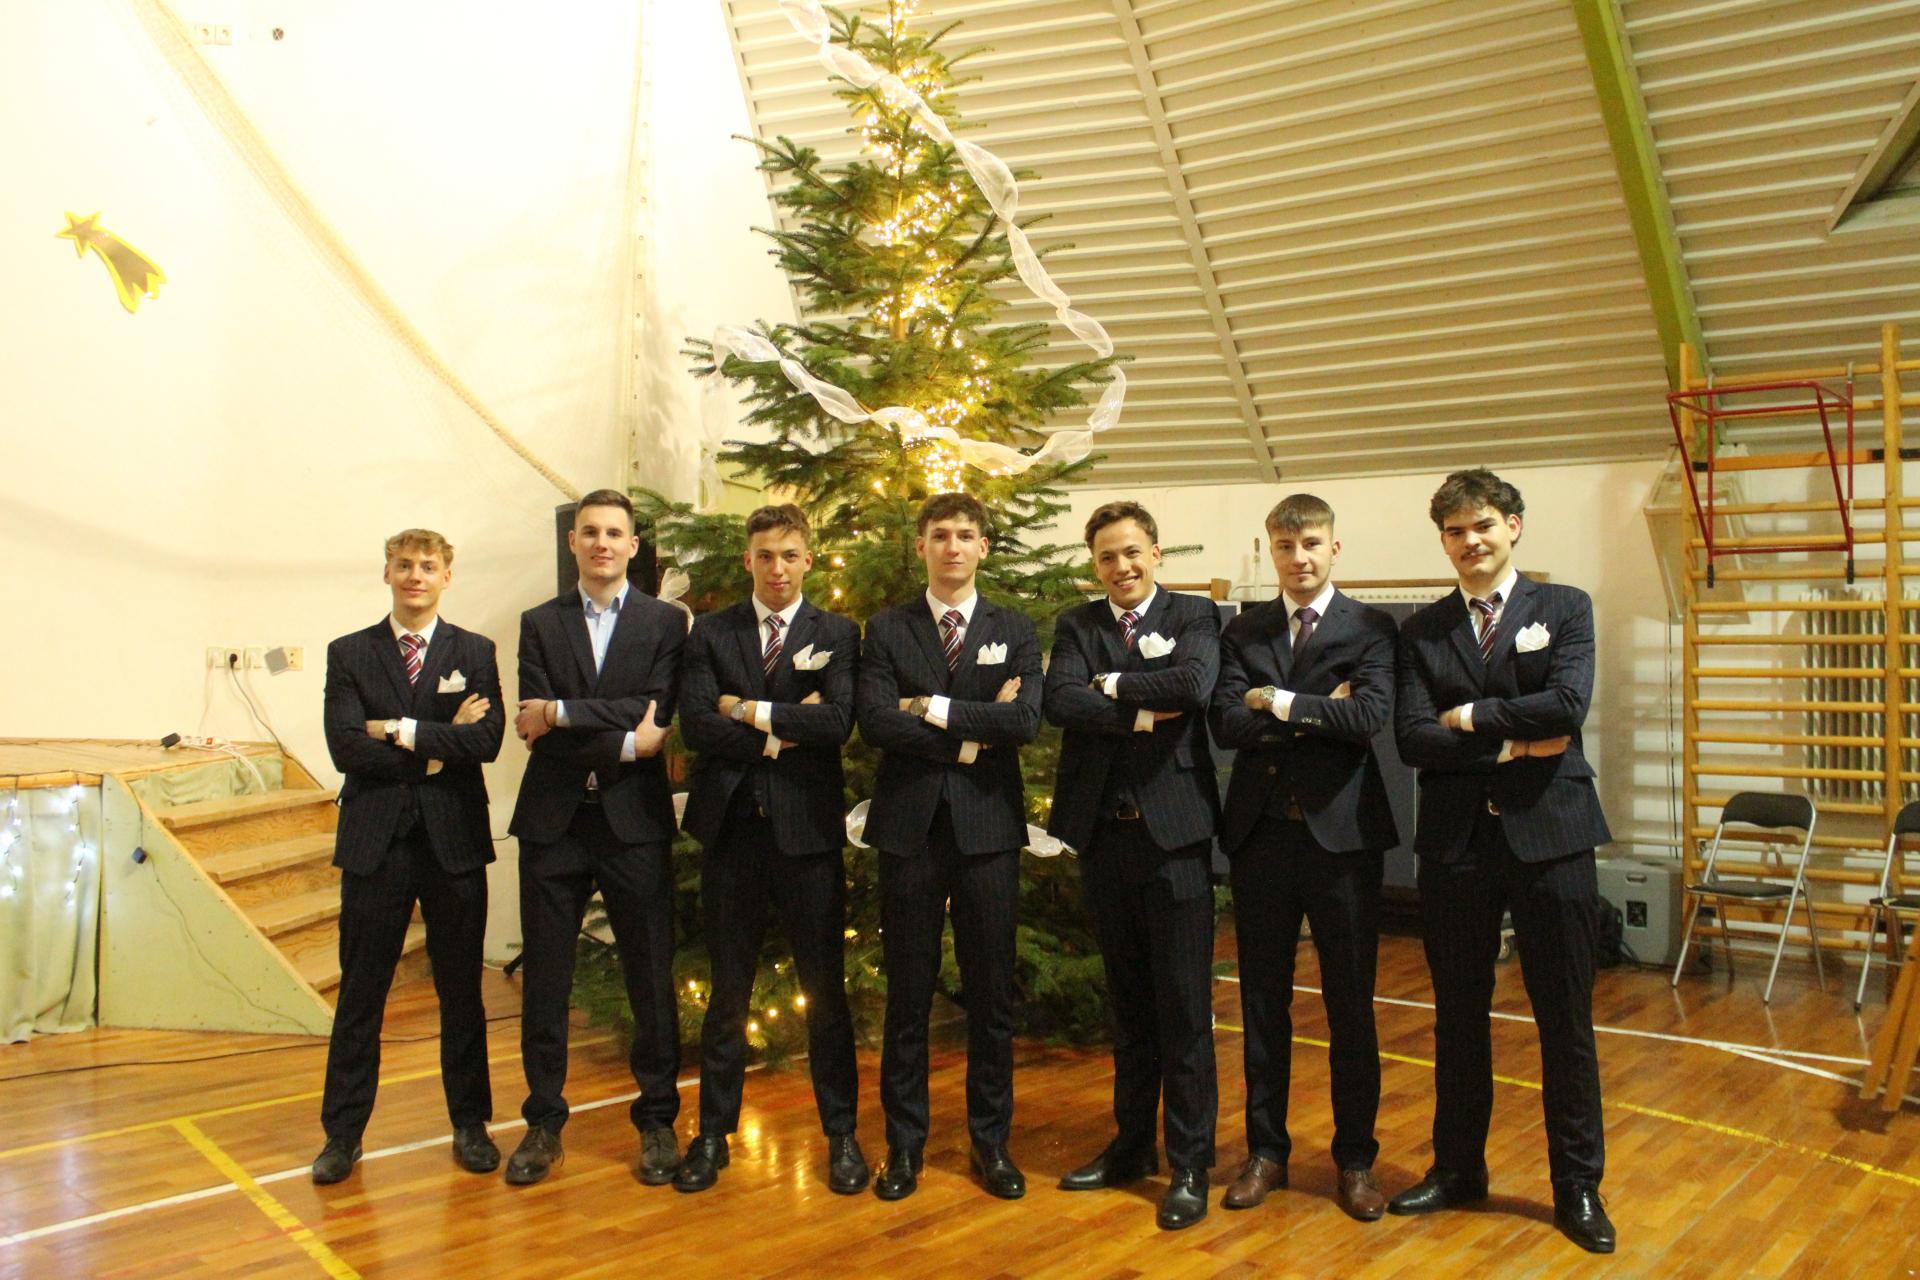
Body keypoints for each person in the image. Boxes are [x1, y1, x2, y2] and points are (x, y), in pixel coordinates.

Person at [1388, 469, 1615, 1255]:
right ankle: (1457, 1169)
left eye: (1482, 525)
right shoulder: (1420, 631)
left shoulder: (1565, 607)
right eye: (1454, 531)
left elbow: (1568, 707)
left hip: (1553, 835)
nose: (1470, 542)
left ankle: (1577, 1185)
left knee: (1565, 1019)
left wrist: (1470, 718)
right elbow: (1412, 737)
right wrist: (1516, 743)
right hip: (1457, 845)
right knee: (1457, 1016)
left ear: (1513, 526)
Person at [1209, 494, 1397, 1222]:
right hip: (1262, 837)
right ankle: (1266, 1152)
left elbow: (1368, 718)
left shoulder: (1371, 627)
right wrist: (1320, 707)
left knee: (1351, 1005)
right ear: (1272, 549)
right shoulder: (1244, 628)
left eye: (1311, 543)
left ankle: (1355, 1160)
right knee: (1262, 1004)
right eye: (1285, 546)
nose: (1299, 558)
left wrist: (1276, 702)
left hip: (1343, 840)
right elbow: (1227, 724)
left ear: (1333, 548)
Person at [672, 503, 868, 1195]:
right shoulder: (711, 633)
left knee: (826, 991)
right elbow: (697, 726)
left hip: (807, 833)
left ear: (808, 560)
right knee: (728, 991)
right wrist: (789, 727)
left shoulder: (837, 633)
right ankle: (711, 1135)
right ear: (748, 561)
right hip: (732, 831)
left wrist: (746, 710)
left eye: (789, 555)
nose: (777, 568)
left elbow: (837, 723)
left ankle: (841, 1135)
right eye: (764, 556)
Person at [854, 491, 1042, 1202]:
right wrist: (974, 731)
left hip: (988, 831)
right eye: (940, 535)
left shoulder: (1013, 627)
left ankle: (991, 1142)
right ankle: (904, 1147)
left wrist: (928, 708)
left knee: (991, 995)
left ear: (983, 547)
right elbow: (877, 722)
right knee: (907, 996)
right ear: (922, 547)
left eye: (965, 535)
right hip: (909, 831)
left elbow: (1025, 722)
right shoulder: (887, 629)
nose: (952, 546)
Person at [1044, 501, 1221, 1231]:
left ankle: (1190, 1163)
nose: (1121, 566)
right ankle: (1131, 1146)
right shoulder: (1077, 625)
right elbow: (1060, 702)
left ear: (1156, 554)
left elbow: (1193, 686)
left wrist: (1110, 687)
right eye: (1107, 557)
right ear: (1095, 565)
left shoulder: (1194, 616)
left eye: (1132, 552)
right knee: (1128, 1007)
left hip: (1174, 836)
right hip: (1103, 837)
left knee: (1184, 1008)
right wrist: (1144, 709)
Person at [504, 488, 685, 1188]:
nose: (602, 543)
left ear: (633, 546)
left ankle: (658, 1120)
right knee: (547, 981)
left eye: (614, 533)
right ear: (573, 542)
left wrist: (562, 711)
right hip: (554, 823)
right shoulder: (539, 623)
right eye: (590, 532)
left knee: (650, 975)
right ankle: (543, 1122)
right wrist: (625, 740)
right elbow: (534, 729)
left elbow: (656, 709)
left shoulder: (665, 623)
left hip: (634, 823)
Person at [313, 528, 504, 1185]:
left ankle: (471, 1124)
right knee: (361, 993)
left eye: (428, 566)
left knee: (461, 991)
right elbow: (346, 748)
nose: (415, 575)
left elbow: (486, 742)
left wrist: (395, 730)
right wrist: (439, 746)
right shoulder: (350, 653)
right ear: (387, 573)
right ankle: (342, 1135)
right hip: (376, 843)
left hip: (453, 842)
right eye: (404, 565)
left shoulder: (474, 651)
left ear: (447, 577)